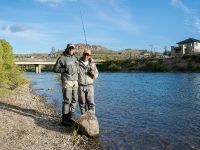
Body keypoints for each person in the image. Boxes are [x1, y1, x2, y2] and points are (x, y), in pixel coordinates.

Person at [54, 43, 79, 126]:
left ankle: (71, 117)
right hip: (67, 81)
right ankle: (64, 119)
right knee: (67, 100)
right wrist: (64, 69)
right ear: (67, 49)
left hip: (75, 81)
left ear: (74, 49)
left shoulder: (75, 58)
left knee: (74, 99)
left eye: (73, 48)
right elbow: (55, 69)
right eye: (70, 48)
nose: (71, 49)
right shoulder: (62, 58)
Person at [78, 49, 99, 114]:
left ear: (90, 56)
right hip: (80, 86)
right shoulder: (77, 63)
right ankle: (84, 119)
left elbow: (96, 75)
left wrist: (93, 73)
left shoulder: (92, 64)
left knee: (91, 103)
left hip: (90, 86)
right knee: (82, 104)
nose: (86, 56)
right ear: (83, 54)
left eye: (88, 55)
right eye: (85, 54)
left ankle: (92, 118)